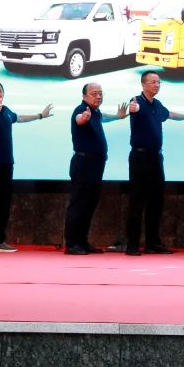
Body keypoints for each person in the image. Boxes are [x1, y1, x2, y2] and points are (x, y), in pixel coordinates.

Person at [0, 81, 52, 254]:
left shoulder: (6, 110)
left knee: (3, 204)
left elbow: (19, 118)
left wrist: (40, 115)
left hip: (6, 165)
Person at [125, 70, 184, 256]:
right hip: (140, 158)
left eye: (158, 82)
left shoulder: (157, 104)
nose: (157, 85)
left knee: (156, 201)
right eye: (153, 82)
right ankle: (132, 244)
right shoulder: (137, 102)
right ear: (143, 84)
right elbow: (133, 108)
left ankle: (153, 243)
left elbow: (169, 114)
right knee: (137, 201)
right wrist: (132, 108)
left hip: (156, 158)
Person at [65, 83, 128, 255]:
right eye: (94, 93)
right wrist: (83, 118)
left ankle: (82, 241)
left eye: (100, 93)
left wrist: (117, 116)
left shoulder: (95, 112)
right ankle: (72, 244)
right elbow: (79, 119)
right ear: (84, 96)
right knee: (78, 203)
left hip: (96, 165)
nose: (98, 96)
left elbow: (102, 117)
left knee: (89, 204)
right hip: (83, 163)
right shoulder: (81, 110)